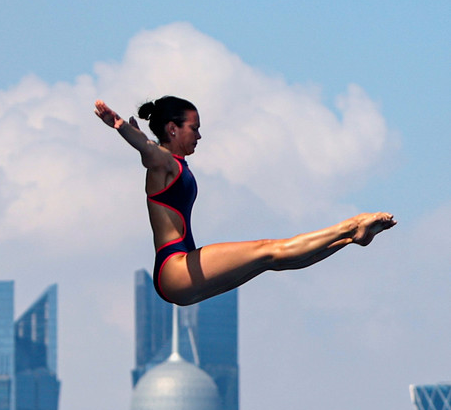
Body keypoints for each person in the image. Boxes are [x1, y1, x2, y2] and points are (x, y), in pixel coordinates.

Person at [94, 96, 396, 306]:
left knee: (271, 260)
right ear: (173, 129)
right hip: (176, 268)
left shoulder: (175, 163)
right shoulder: (165, 162)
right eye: (194, 128)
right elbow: (148, 151)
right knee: (268, 248)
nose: (199, 135)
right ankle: (351, 226)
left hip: (180, 272)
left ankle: (349, 239)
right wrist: (121, 127)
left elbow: (148, 148)